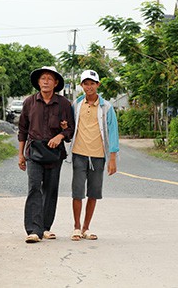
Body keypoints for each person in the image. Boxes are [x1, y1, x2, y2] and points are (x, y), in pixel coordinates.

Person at [18, 66, 75, 243]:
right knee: (34, 187)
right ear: (38, 82)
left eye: (50, 78)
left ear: (56, 83)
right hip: (34, 151)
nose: (45, 81)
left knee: (50, 190)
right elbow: (22, 130)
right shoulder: (29, 102)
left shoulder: (64, 103)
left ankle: (45, 227)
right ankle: (33, 230)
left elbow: (71, 129)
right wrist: (21, 155)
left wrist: (60, 135)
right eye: (43, 78)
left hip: (54, 153)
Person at [69, 69, 119, 241]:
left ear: (98, 85)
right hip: (79, 153)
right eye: (86, 83)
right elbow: (69, 125)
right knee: (77, 191)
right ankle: (76, 227)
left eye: (92, 83)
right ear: (81, 85)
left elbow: (113, 132)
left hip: (98, 156)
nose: (89, 87)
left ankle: (86, 227)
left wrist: (112, 158)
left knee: (94, 192)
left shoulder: (106, 107)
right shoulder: (76, 104)